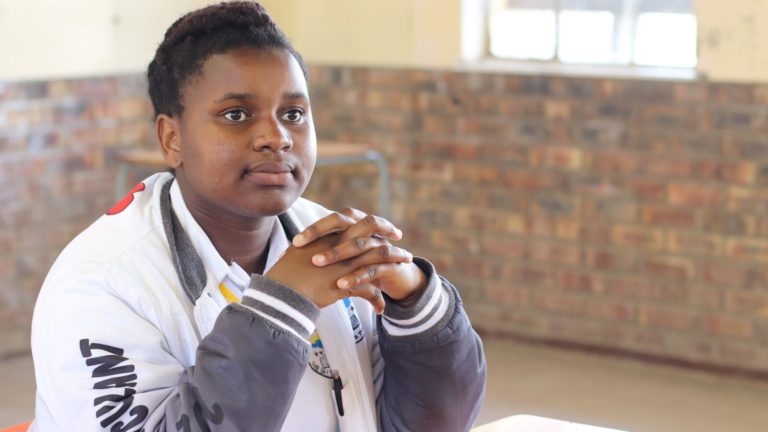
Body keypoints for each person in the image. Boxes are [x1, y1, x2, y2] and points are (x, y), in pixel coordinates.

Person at [29, 2, 486, 431]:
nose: (276, 137)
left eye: (293, 113)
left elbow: (430, 423)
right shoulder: (102, 283)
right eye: (235, 114)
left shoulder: (336, 245)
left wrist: (418, 308)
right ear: (172, 139)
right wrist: (282, 304)